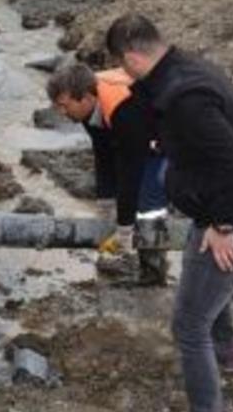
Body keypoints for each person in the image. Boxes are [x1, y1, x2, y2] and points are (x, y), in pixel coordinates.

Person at [106, 13, 233, 412]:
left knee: (188, 324)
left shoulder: (184, 97)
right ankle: (230, 355)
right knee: (202, 291)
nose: (120, 73)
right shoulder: (187, 70)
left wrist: (223, 224)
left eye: (119, 63)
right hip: (219, 213)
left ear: (131, 58)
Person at [46, 64, 169, 285]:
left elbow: (131, 170)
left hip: (164, 136)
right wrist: (105, 203)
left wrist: (124, 228)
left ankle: (153, 273)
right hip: (138, 133)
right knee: (128, 196)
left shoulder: (122, 108)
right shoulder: (88, 104)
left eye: (64, 107)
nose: (61, 114)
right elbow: (103, 153)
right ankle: (144, 261)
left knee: (148, 205)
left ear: (85, 98)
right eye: (57, 108)